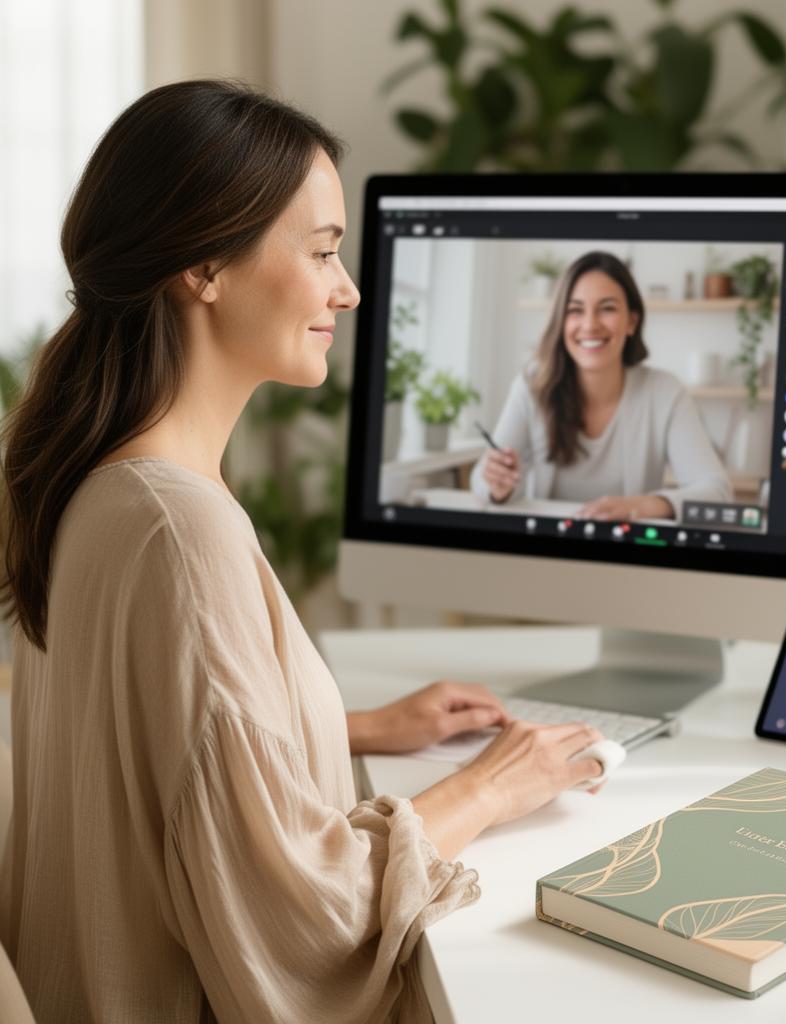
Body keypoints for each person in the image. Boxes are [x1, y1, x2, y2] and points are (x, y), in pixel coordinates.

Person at [0, 80, 606, 1024]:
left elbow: (156, 741)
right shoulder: (179, 528)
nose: (348, 289)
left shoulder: (94, 479)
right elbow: (304, 915)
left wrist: (352, 726)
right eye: (323, 251)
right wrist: (489, 787)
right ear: (203, 266)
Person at [470, 251, 731, 522]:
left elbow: (718, 492)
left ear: (632, 321)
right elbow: (481, 480)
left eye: (607, 308)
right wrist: (496, 485)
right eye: (575, 310)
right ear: (561, 323)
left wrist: (640, 506)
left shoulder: (664, 392)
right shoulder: (531, 386)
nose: (590, 325)